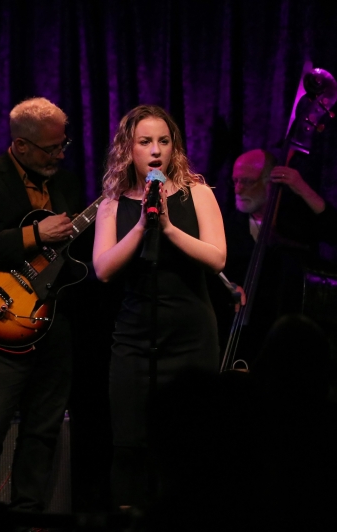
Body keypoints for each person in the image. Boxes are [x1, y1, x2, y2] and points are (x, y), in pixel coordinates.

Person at [92, 104, 226, 510]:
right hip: (134, 340)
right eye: (145, 142)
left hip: (190, 337)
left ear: (174, 148)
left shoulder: (197, 193)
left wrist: (167, 227)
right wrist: (141, 225)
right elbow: (103, 269)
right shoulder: (112, 204)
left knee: (193, 448)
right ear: (128, 149)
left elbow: (217, 257)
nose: (155, 151)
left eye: (163, 142)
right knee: (131, 447)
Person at [0, 96, 85, 518]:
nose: (60, 154)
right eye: (51, 148)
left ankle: (30, 514)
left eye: (63, 145)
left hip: (54, 319)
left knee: (44, 427)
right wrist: (35, 235)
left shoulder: (65, 182)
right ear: (22, 145)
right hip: (2, 317)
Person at [215, 149, 337, 364]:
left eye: (247, 181)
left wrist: (303, 189)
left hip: (290, 341)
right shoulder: (227, 225)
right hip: (236, 335)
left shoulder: (295, 221)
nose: (238, 189)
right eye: (235, 181)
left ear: (270, 183)